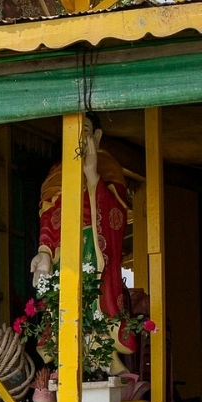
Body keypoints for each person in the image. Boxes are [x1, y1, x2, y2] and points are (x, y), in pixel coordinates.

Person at [30, 112, 136, 372]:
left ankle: (103, 365)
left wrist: (92, 175)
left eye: (85, 129)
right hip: (63, 251)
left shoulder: (108, 166)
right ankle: (66, 365)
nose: (79, 137)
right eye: (73, 130)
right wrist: (44, 252)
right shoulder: (57, 172)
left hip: (95, 246)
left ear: (97, 136)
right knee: (63, 306)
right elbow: (50, 217)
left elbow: (117, 214)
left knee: (94, 302)